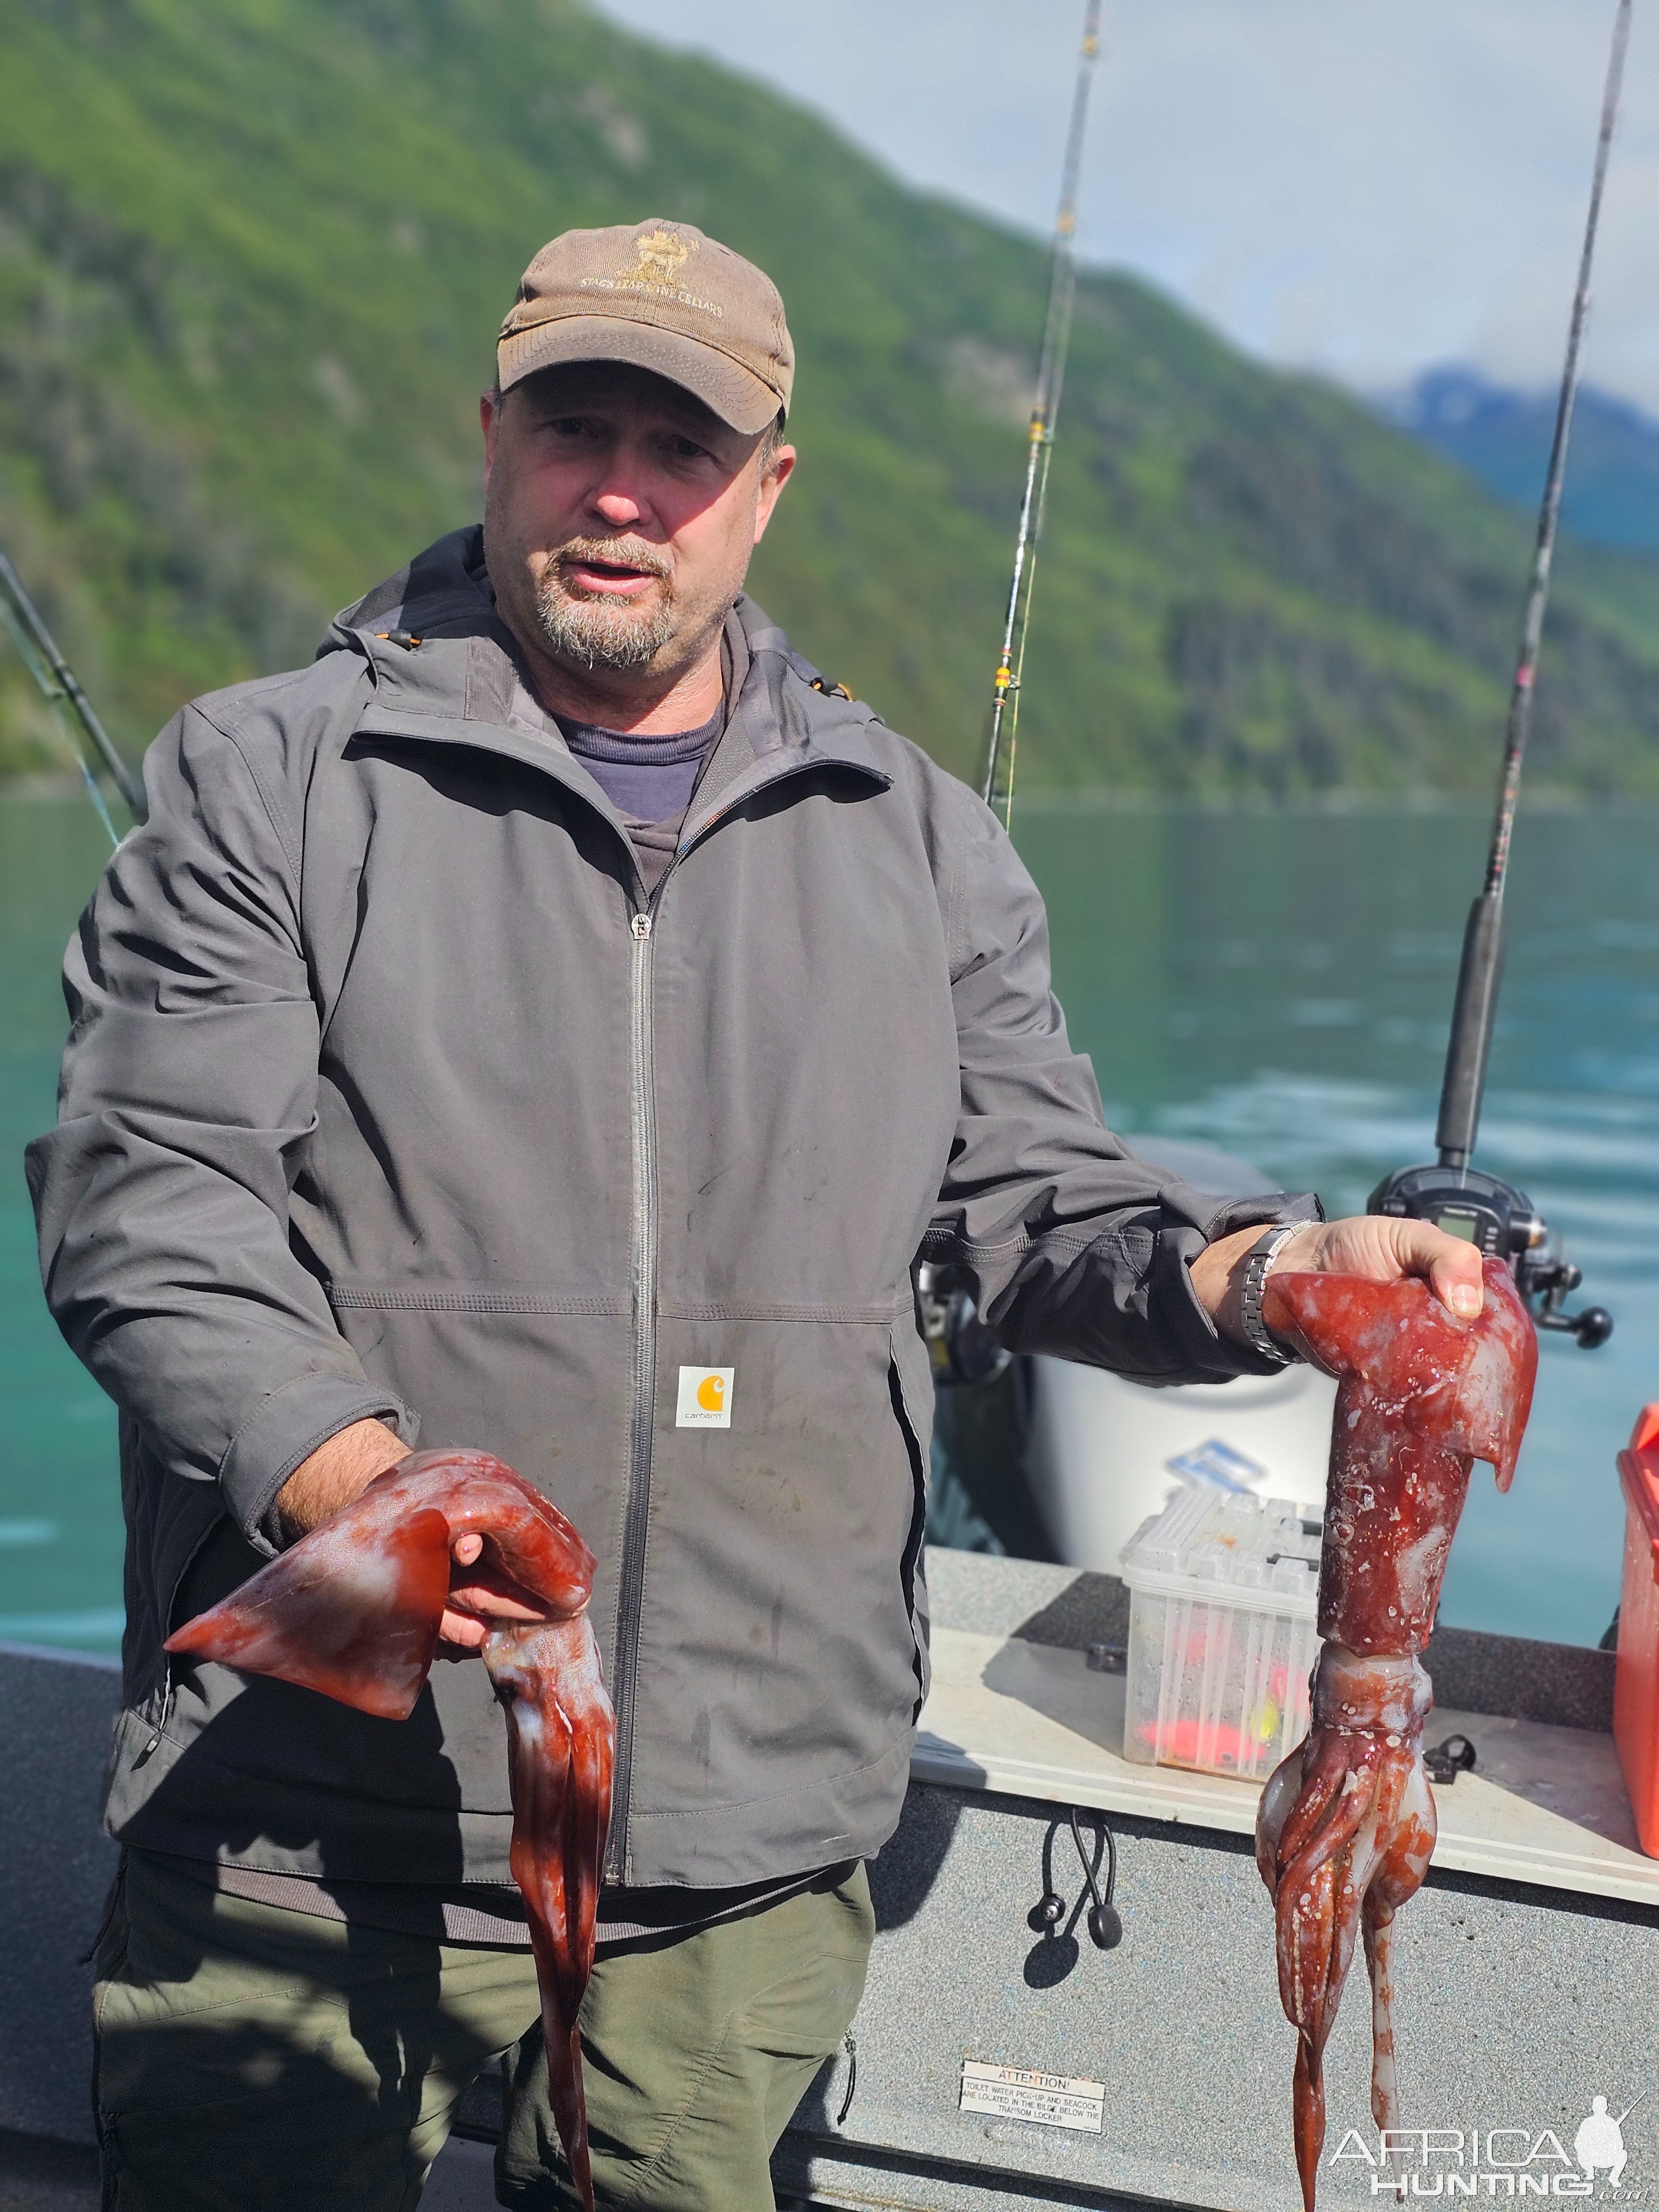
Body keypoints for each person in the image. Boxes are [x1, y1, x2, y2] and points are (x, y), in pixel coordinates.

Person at [27, 217, 1483, 2212]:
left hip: (738, 1860)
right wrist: (347, 1477)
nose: (621, 491)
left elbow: (1041, 1204)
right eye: (576, 428)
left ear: (767, 486)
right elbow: (147, 1194)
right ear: (493, 438)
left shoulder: (921, 845)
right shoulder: (271, 778)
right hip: (303, 1828)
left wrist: (1272, 1266)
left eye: (681, 444)